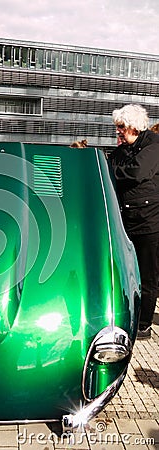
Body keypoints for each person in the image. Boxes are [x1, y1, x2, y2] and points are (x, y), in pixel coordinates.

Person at [109, 104, 159, 339]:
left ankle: (144, 324)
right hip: (126, 219)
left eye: (121, 128)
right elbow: (110, 171)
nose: (118, 132)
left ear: (134, 126)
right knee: (127, 272)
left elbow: (138, 172)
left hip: (149, 223)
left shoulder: (153, 145)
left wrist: (121, 170)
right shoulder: (121, 151)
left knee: (148, 275)